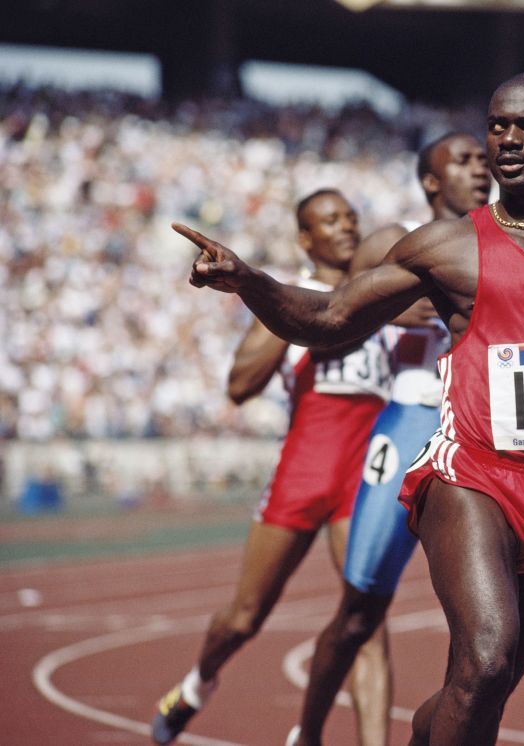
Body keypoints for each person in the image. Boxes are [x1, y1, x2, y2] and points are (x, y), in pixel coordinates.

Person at [176, 72, 524, 746]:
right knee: (486, 659)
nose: (507, 139)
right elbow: (332, 316)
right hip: (471, 479)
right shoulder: (449, 249)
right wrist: (248, 281)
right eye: (497, 126)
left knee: (486, 687)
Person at [151, 189, 392, 745]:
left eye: (351, 216)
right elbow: (238, 386)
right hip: (303, 473)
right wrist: (296, 319)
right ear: (305, 238)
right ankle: (198, 683)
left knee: (366, 621)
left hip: (363, 479)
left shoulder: (383, 291)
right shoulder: (290, 296)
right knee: (243, 618)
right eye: (329, 220)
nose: (346, 227)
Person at [286, 132, 491, 746]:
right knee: (359, 614)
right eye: (462, 161)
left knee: (484, 634)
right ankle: (310, 733)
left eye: (483, 159)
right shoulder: (391, 239)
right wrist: (391, 309)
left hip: (480, 430)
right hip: (408, 420)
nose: (479, 169)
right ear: (430, 181)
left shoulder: (508, 239)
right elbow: (333, 314)